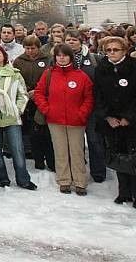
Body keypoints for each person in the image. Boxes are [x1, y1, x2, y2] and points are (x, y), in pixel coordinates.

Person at [93, 36, 136, 209]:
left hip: (132, 120)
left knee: (135, 157)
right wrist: (107, 117)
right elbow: (98, 95)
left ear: (124, 50)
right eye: (108, 50)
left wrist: (129, 117)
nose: (112, 53)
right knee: (118, 155)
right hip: (112, 121)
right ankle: (124, 191)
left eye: (115, 50)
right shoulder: (101, 67)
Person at [35, 44, 94, 196]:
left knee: (77, 152)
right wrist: (47, 109)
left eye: (65, 55)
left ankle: (80, 181)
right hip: (55, 120)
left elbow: (89, 97)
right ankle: (64, 180)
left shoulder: (81, 75)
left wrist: (82, 113)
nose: (61, 58)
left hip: (76, 121)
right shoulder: (48, 74)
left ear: (70, 57)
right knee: (60, 151)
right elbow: (39, 93)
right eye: (58, 55)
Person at [0, 45, 36, 190]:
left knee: (17, 150)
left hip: (12, 117)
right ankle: (2, 178)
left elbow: (23, 94)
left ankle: (23, 179)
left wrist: (18, 109)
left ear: (4, 55)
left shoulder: (15, 74)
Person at [65, 28, 106, 182]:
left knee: (95, 140)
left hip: (92, 106)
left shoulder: (94, 58)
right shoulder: (60, 58)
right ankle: (77, 169)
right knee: (75, 142)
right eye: (68, 40)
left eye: (74, 40)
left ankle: (98, 171)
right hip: (71, 106)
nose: (71, 42)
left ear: (80, 41)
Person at [13, 35, 54, 171]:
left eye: (33, 48)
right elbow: (17, 80)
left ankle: (50, 159)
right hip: (27, 98)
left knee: (46, 131)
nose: (30, 51)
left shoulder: (47, 59)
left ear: (38, 47)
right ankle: (38, 160)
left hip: (44, 97)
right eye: (27, 48)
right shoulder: (19, 61)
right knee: (32, 131)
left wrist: (38, 91)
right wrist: (26, 92)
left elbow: (51, 78)